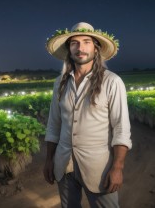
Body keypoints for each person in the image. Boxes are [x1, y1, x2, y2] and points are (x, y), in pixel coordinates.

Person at [43, 22, 132, 208]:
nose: (80, 48)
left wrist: (117, 168)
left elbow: (121, 129)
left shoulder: (112, 81)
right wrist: (49, 160)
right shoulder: (60, 83)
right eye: (74, 43)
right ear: (69, 49)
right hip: (64, 163)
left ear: (96, 49)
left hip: (98, 167)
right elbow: (54, 125)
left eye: (86, 42)